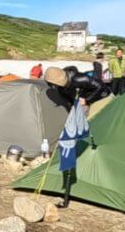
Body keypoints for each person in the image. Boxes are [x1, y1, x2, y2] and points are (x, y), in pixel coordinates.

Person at [44, 66, 109, 208]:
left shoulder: (79, 78)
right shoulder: (60, 89)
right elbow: (69, 102)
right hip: (83, 104)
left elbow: (101, 87)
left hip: (101, 98)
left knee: (92, 125)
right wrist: (72, 114)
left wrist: (87, 100)